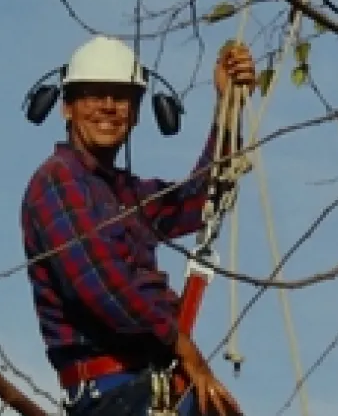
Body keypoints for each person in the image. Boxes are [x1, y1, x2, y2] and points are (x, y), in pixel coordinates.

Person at [20, 36, 255, 416]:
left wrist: (228, 106)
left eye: (122, 97)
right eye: (95, 95)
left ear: (138, 111)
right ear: (66, 106)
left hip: (145, 382)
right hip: (107, 393)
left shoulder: (126, 195)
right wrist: (181, 346)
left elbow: (201, 200)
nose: (109, 107)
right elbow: (103, 287)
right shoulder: (57, 182)